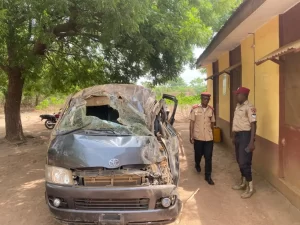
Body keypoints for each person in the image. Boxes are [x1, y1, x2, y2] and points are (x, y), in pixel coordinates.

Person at [231, 87, 257, 198]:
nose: (236, 96)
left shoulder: (250, 108)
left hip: (246, 137)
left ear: (244, 95)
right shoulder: (238, 107)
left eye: (238, 94)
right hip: (238, 136)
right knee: (239, 160)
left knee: (244, 162)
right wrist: (234, 136)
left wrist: (251, 141)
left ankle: (250, 188)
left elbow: (253, 124)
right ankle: (243, 183)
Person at [189, 92, 215, 185]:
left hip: (208, 138)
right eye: (204, 98)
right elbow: (192, 123)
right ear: (201, 98)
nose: (206, 100)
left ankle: (208, 176)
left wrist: (213, 136)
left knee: (208, 157)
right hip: (198, 137)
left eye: (207, 99)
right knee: (198, 154)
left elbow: (212, 123)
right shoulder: (195, 109)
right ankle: (197, 163)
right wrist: (191, 135)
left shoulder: (211, 110)